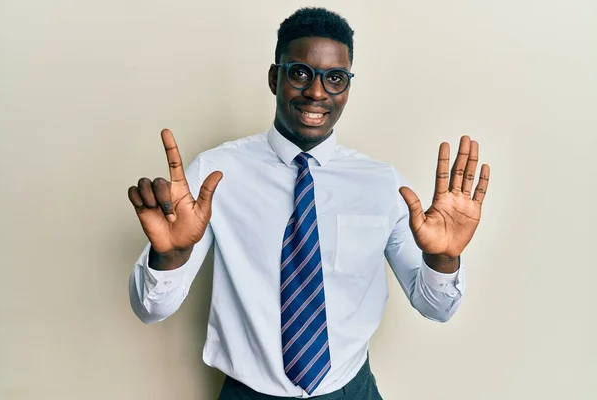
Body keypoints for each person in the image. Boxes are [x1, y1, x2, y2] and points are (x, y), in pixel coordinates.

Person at [127, 7, 490, 400]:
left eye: (335, 78)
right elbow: (151, 310)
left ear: (347, 87)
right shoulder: (215, 174)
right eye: (300, 73)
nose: (317, 92)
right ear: (274, 77)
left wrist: (443, 260)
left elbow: (436, 307)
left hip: (351, 391)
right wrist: (172, 256)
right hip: (249, 394)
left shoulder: (383, 184)